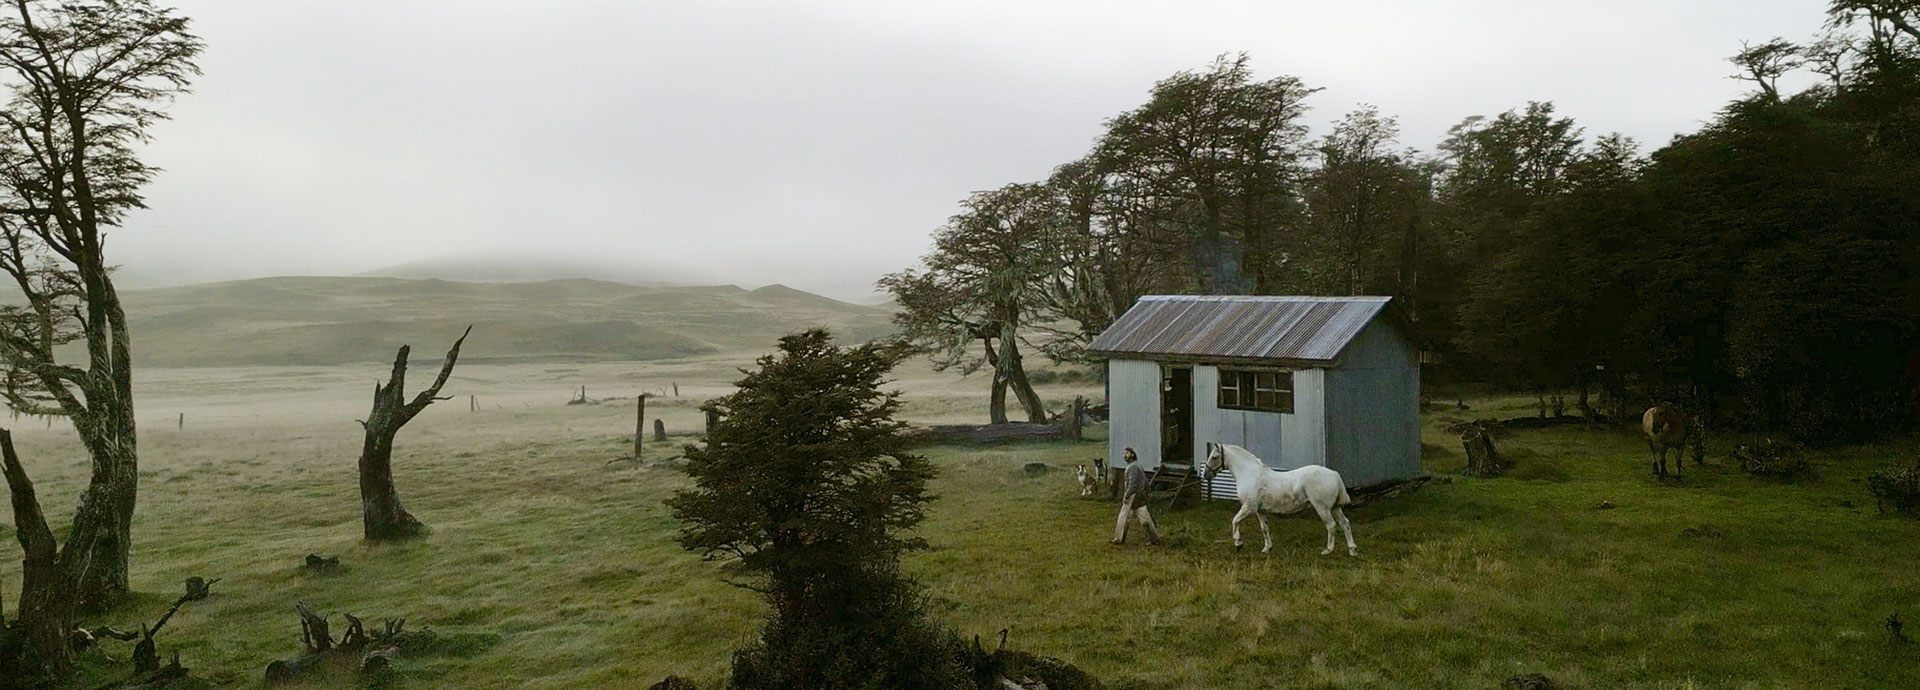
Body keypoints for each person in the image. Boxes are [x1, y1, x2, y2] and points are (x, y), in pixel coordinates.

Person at [1111, 447, 1162, 545]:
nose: (1124, 455)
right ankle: (1119, 539)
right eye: (1123, 453)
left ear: (1132, 454)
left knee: (1139, 519)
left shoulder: (1133, 467)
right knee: (1128, 518)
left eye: (1127, 453)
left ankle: (1154, 540)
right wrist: (1147, 492)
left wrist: (1127, 496)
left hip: (1134, 496)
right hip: (1139, 496)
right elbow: (1146, 482)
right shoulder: (1137, 465)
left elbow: (1132, 484)